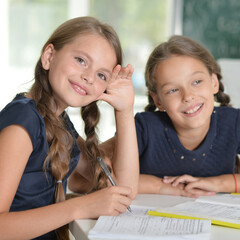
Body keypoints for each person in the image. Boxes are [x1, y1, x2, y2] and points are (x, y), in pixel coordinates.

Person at [0, 16, 139, 240]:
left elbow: (124, 190)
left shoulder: (60, 123)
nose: (88, 77)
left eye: (101, 75)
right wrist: (82, 207)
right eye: (81, 60)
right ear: (49, 57)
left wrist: (124, 111)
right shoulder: (23, 121)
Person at [134, 35, 240, 197]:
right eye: (173, 90)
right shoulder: (143, 128)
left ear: (214, 82)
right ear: (158, 100)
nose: (188, 96)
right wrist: (161, 187)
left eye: (196, 82)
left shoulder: (231, 123)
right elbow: (109, 177)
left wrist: (219, 183)